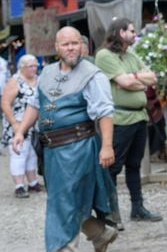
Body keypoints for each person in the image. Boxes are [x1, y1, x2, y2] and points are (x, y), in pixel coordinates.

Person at [11, 27, 118, 252]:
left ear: (81, 45)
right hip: (51, 151)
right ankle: (100, 233)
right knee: (64, 200)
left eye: (75, 43)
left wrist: (107, 146)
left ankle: (63, 248)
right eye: (66, 44)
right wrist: (20, 131)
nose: (71, 48)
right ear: (57, 47)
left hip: (79, 147)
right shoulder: (47, 72)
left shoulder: (92, 74)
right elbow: (35, 105)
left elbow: (104, 112)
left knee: (63, 202)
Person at [95, 19, 162, 227]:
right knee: (112, 168)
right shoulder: (104, 55)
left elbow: (152, 78)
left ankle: (137, 208)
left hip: (139, 117)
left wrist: (133, 79)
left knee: (134, 165)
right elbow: (126, 82)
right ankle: (111, 214)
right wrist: (133, 80)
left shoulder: (131, 55)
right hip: (120, 120)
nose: (135, 34)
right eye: (132, 31)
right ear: (120, 32)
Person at [1, 54, 42, 197]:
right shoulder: (15, 81)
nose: (34, 68)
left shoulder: (38, 79)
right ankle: (19, 186)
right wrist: (14, 123)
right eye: (31, 66)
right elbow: (5, 103)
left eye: (35, 65)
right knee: (19, 154)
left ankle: (32, 182)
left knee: (31, 154)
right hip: (17, 123)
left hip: (33, 124)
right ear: (22, 67)